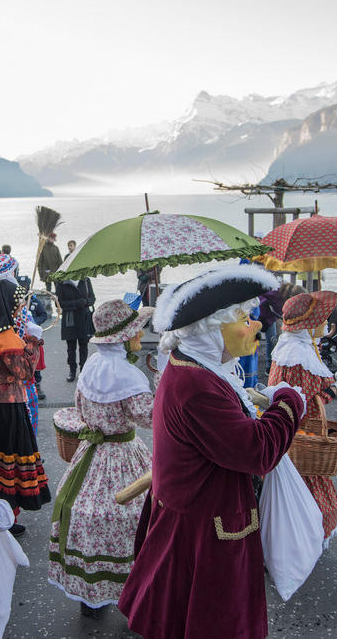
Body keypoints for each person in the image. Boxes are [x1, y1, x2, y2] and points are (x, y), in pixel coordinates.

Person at [118, 264, 307, 639]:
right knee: (211, 619)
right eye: (243, 318)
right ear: (210, 329)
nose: (255, 325)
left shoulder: (195, 366)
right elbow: (259, 451)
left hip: (193, 513)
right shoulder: (198, 385)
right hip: (206, 529)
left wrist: (255, 401)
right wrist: (289, 399)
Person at [49, 300, 155, 617]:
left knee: (87, 512)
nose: (142, 334)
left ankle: (91, 596)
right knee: (135, 516)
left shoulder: (93, 366)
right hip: (123, 455)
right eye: (137, 330)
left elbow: (81, 407)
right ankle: (132, 593)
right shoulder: (127, 375)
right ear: (124, 338)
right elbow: (150, 417)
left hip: (92, 454)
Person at [268, 290, 337, 546]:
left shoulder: (293, 346)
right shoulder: (298, 357)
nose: (327, 325)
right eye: (323, 320)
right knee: (309, 492)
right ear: (310, 324)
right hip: (302, 437)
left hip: (290, 435)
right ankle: (305, 542)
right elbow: (306, 403)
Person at [0, 280, 50, 533]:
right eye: (18, 302)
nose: (20, 307)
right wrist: (33, 343)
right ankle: (5, 516)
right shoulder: (6, 338)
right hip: (8, 407)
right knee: (10, 461)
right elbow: (24, 372)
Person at [57, 277, 95, 382]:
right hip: (70, 318)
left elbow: (92, 298)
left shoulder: (85, 280)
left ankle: (83, 370)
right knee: (71, 347)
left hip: (84, 317)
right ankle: (72, 371)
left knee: (84, 345)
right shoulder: (61, 282)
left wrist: (86, 301)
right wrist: (77, 303)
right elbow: (59, 303)